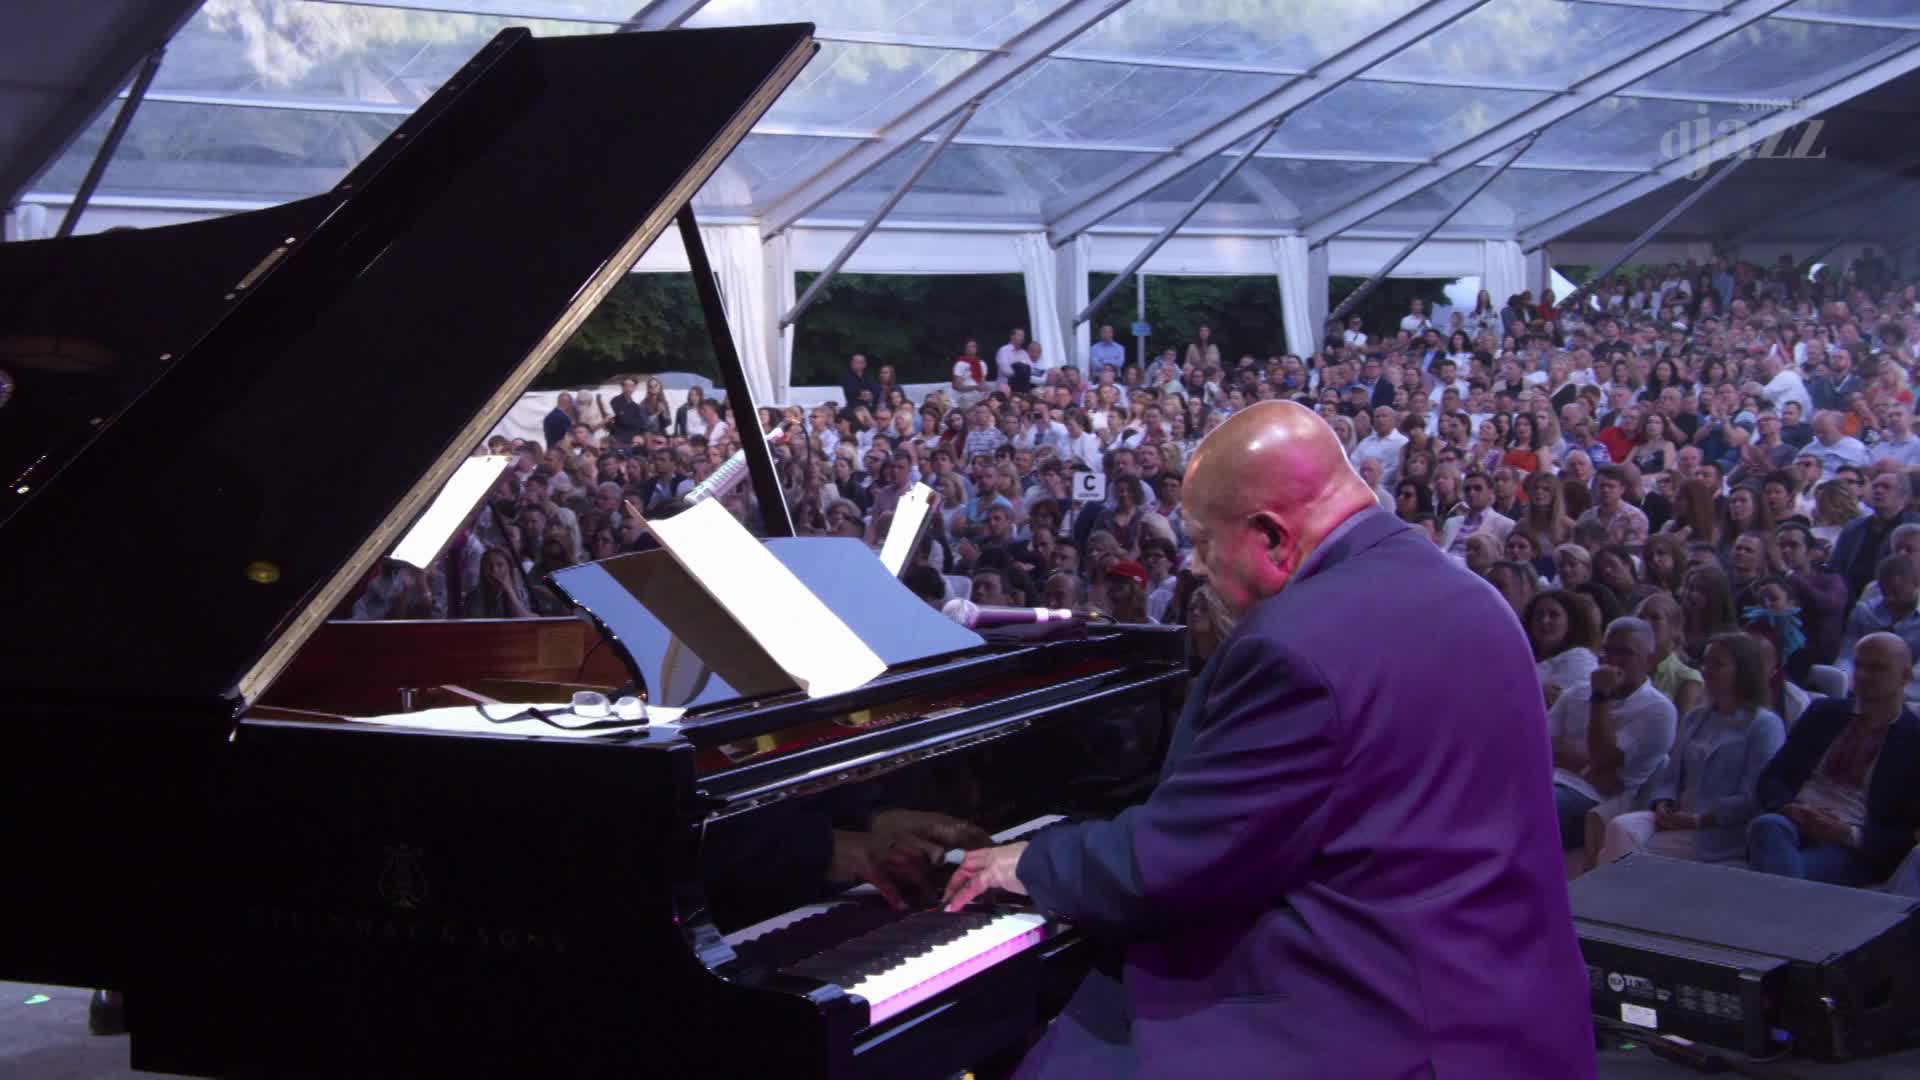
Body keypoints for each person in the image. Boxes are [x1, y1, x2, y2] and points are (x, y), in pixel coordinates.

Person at [942, 401, 1593, 1077]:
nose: (1195, 566)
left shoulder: (1294, 648)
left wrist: (1029, 859)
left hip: (1390, 1023)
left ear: (1273, 538)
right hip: (1511, 997)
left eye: (1203, 541)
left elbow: (1171, 863)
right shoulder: (1471, 596)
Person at [1594, 632, 1785, 866]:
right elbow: (1670, 775)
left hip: (1718, 829)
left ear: (1744, 671)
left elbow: (1753, 797)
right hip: (1676, 817)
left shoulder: (1764, 725)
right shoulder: (1696, 718)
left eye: (1718, 664)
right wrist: (1663, 803)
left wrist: (1698, 819)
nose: (1706, 670)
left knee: (1628, 852)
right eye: (1705, 662)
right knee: (1620, 828)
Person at [1748, 632, 1920, 885]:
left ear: (1905, 677)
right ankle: (1788, 909)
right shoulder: (1824, 713)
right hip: (1793, 822)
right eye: (1859, 665)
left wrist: (1848, 833)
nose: (1862, 675)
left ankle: (1781, 902)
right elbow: (1773, 777)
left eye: (1876, 668)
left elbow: (1908, 835)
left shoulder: (1914, 740)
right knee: (1767, 825)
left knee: (1786, 869)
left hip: (1851, 845)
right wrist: (1788, 807)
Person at [1546, 617, 1678, 850]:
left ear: (1648, 660)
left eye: (1624, 652)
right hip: (1550, 778)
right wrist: (1588, 768)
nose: (1612, 659)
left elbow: (1602, 757)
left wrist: (1600, 697)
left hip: (1598, 801)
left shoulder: (1659, 711)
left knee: (1528, 808)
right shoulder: (1576, 692)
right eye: (1608, 650)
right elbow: (1540, 744)